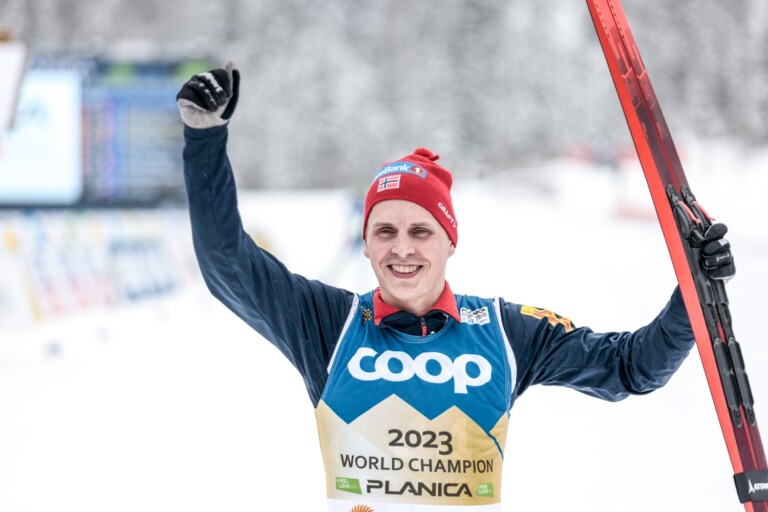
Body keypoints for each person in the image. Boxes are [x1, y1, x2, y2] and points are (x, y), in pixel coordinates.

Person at [176, 62, 736, 512]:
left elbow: (630, 369)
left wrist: (691, 292)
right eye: (385, 232)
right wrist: (204, 138)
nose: (402, 248)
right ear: (365, 244)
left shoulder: (503, 332)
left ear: (450, 242)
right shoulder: (329, 324)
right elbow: (227, 263)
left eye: (420, 231)